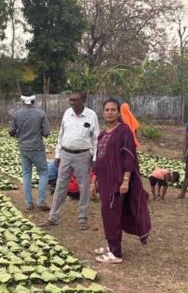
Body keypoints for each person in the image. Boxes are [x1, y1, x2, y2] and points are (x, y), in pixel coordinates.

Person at [91, 98, 151, 264]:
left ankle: (116, 253)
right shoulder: (102, 134)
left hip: (116, 181)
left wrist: (125, 181)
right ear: (103, 113)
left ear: (119, 112)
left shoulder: (124, 131)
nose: (109, 112)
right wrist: (94, 180)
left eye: (113, 110)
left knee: (112, 214)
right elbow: (99, 158)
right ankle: (111, 245)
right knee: (107, 214)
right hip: (104, 180)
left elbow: (129, 158)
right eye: (107, 110)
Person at [42, 91, 99, 230]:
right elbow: (61, 135)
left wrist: (95, 158)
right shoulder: (67, 113)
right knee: (60, 186)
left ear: (83, 100)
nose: (72, 102)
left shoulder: (91, 115)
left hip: (83, 155)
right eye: (71, 100)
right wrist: (57, 154)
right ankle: (53, 217)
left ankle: (82, 219)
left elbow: (96, 139)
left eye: (75, 100)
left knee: (84, 187)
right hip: (65, 154)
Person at [9, 94, 50, 211]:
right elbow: (46, 132)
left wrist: (20, 134)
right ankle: (41, 201)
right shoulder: (41, 114)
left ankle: (28, 203)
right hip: (37, 148)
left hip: (23, 148)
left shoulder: (16, 114)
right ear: (34, 101)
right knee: (43, 173)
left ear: (22, 101)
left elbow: (11, 131)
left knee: (27, 174)